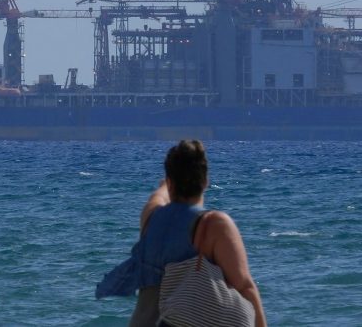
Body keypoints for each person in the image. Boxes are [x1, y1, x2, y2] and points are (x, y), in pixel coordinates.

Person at [96, 139, 266, 327]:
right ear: (205, 182)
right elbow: (245, 287)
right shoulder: (214, 224)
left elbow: (157, 198)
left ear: (170, 182)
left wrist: (165, 185)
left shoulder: (151, 218)